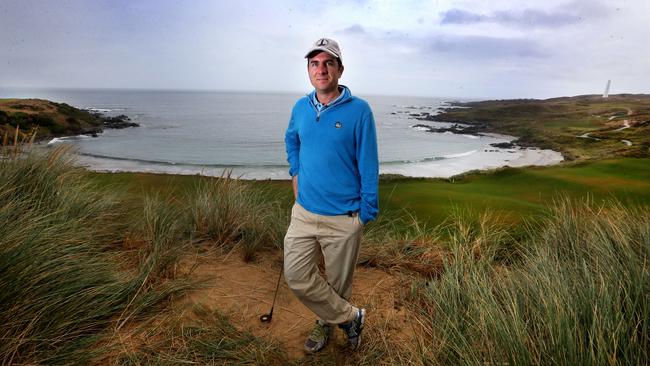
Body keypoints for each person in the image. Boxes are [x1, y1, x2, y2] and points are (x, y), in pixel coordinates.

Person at [283, 37, 379, 353]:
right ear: (309, 69)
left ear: (339, 69)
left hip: (344, 217)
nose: (321, 69)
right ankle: (351, 317)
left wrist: (365, 214)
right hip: (305, 211)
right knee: (296, 275)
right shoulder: (300, 107)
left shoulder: (359, 111)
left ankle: (326, 325)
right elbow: (291, 140)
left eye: (328, 63)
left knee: (338, 286)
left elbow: (368, 162)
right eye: (315, 63)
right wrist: (295, 173)